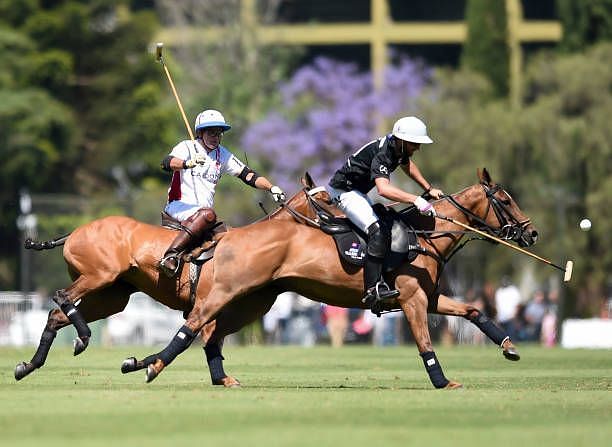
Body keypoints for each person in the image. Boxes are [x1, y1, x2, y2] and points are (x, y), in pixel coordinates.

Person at [327, 116, 444, 310]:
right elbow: (384, 189)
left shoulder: (398, 148)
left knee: (388, 225)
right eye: (415, 143)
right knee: (377, 229)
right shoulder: (383, 153)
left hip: (357, 192)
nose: (418, 148)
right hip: (343, 192)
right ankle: (372, 290)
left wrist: (428, 187)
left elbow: (407, 165)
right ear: (404, 140)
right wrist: (416, 199)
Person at [159, 109, 285, 277]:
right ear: (200, 133)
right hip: (179, 206)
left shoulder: (222, 154)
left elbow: (247, 174)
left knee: (229, 239)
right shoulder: (187, 147)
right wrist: (187, 163)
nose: (215, 137)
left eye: (219, 134)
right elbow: (166, 163)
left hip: (204, 215)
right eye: (211, 133)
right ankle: (170, 256)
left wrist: (271, 187)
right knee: (209, 215)